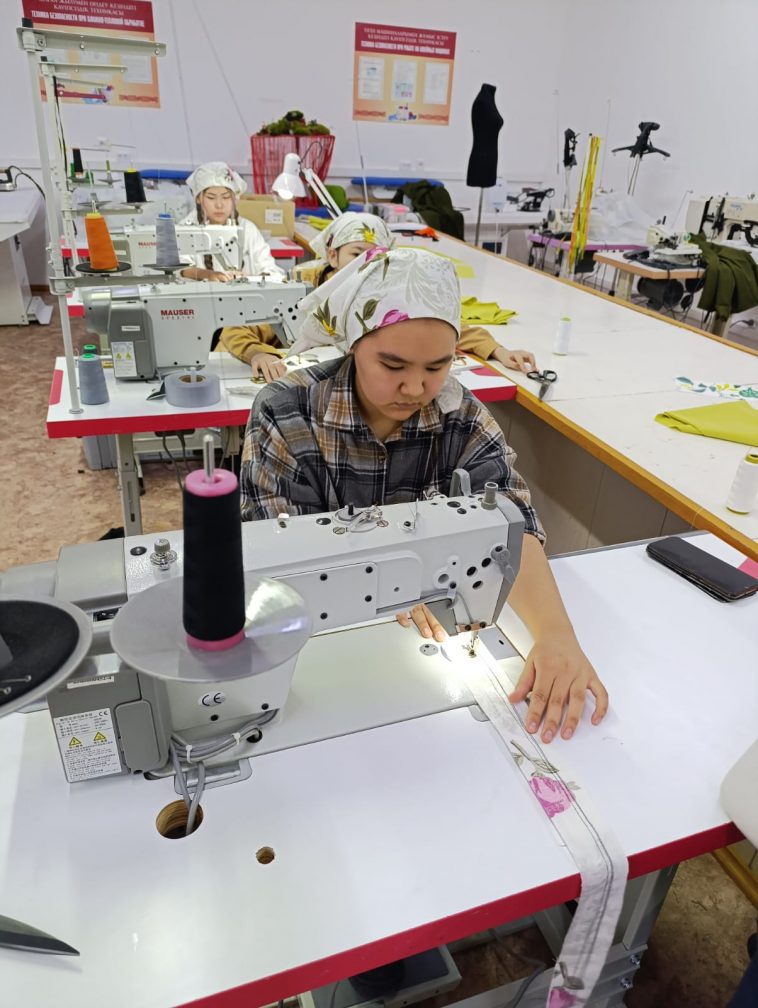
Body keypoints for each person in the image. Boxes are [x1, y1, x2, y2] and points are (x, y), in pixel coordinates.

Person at [240, 246, 608, 744]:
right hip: (320, 652)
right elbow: (277, 552)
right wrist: (395, 582)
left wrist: (556, 635)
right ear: (353, 344)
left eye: (437, 366)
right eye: (392, 365)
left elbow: (512, 524)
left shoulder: (462, 417)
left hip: (404, 647)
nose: (415, 387)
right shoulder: (286, 413)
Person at [219, 210, 538, 382]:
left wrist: (498, 350)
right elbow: (235, 327)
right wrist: (259, 354)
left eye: (377, 255)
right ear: (332, 255)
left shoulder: (387, 288)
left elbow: (442, 324)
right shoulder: (299, 288)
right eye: (357, 253)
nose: (366, 264)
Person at [179, 162, 283, 283]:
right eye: (211, 197)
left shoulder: (248, 229)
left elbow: (269, 267)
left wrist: (256, 278)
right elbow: (180, 268)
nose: (219, 205)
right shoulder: (185, 228)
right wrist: (208, 275)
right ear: (198, 198)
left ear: (235, 199)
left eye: (226, 197)